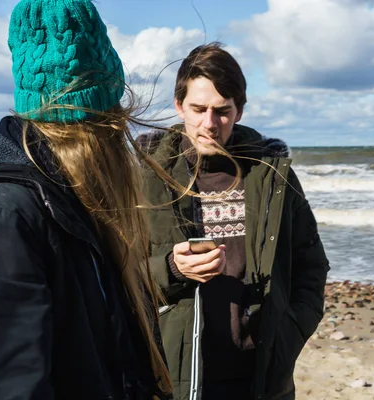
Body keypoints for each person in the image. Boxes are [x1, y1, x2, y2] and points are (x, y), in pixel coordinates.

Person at [0, 0, 174, 398]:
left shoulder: (67, 195)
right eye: (112, 122)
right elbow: (11, 383)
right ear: (99, 127)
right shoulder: (8, 210)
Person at [138, 43, 330, 400]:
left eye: (221, 111)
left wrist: (289, 333)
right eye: (198, 109)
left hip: (260, 378)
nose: (209, 124)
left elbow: (311, 264)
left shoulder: (272, 177)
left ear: (239, 110)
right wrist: (171, 269)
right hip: (173, 377)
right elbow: (117, 273)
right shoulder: (146, 177)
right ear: (179, 105)